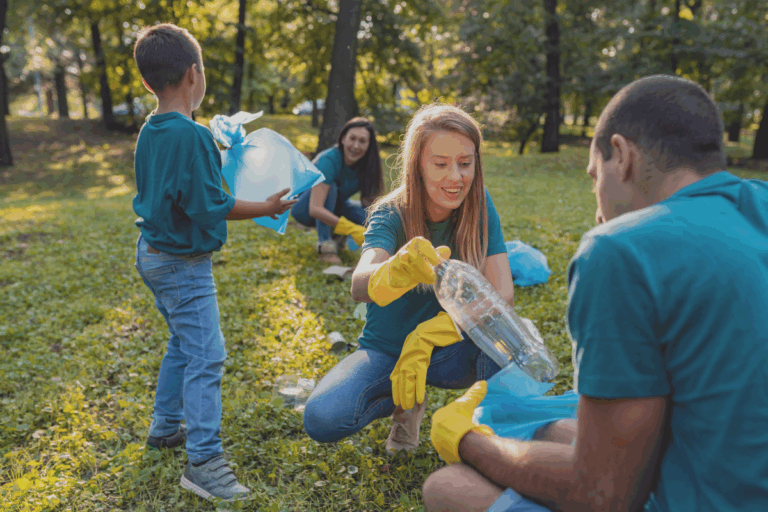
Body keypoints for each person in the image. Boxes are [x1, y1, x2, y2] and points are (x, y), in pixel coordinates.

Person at [422, 75, 768, 512]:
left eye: (593, 177)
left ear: (621, 156)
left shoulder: (621, 249)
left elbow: (602, 496)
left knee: (448, 486)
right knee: (549, 428)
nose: (598, 207)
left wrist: (467, 442)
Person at [131, 24, 295, 502]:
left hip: (152, 255)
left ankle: (164, 429)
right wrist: (265, 207)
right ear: (193, 74)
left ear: (147, 82)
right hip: (183, 265)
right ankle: (203, 461)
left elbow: (180, 187)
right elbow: (210, 206)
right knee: (207, 354)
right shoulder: (193, 134)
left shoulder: (152, 128)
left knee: (183, 344)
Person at [302, 104, 515, 455]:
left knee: (510, 341)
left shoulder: (479, 204)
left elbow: (503, 294)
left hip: (449, 349)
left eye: (465, 163)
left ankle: (486, 425)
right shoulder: (391, 210)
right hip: (386, 350)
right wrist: (396, 269)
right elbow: (359, 285)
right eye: (441, 163)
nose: (456, 177)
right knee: (323, 418)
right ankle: (404, 402)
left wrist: (431, 335)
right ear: (417, 163)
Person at [291, 118, 384, 264]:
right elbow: (315, 209)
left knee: (372, 217)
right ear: (342, 139)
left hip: (337, 205)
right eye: (352, 139)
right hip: (304, 209)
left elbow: (368, 205)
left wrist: (371, 226)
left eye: (362, 141)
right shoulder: (328, 160)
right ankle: (325, 244)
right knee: (331, 188)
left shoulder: (368, 166)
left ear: (369, 145)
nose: (356, 146)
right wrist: (351, 229)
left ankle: (339, 237)